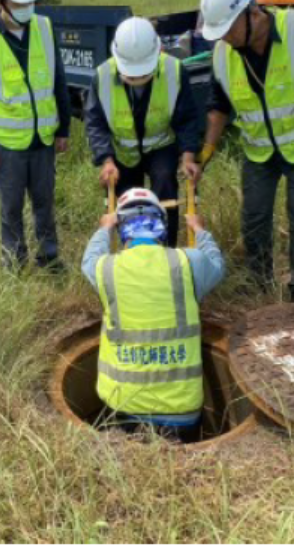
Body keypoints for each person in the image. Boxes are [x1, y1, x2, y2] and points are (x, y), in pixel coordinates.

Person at [185, 0, 294, 302]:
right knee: (254, 218)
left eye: (229, 30)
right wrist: (204, 155)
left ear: (253, 13)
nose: (226, 40)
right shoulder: (223, 54)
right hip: (259, 153)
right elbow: (218, 108)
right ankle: (260, 283)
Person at [81, 188, 225, 440]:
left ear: (121, 228)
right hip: (182, 411)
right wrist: (200, 230)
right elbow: (216, 263)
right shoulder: (189, 262)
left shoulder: (106, 268)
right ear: (162, 226)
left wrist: (104, 227)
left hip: (123, 405)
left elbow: (89, 258)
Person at [0, 0, 71, 270]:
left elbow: (58, 80)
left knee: (44, 204)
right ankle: (14, 262)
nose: (27, 6)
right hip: (8, 146)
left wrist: (63, 128)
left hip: (43, 139)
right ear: (0, 0)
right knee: (11, 208)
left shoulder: (44, 27)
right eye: (19, 1)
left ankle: (48, 258)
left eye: (30, 0)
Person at [84, 17, 203, 247]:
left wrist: (188, 156)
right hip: (122, 151)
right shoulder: (102, 77)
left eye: (143, 74)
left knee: (165, 186)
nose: (137, 80)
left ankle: (166, 250)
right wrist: (106, 161)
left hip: (161, 146)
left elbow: (187, 118)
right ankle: (133, 254)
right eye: (131, 75)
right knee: (129, 204)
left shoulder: (174, 71)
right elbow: (95, 123)